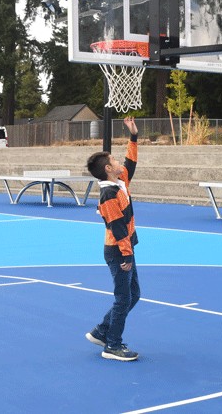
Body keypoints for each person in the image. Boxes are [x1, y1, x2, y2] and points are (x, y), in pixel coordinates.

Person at [84, 116, 141, 361]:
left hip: (125, 247)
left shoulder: (119, 183)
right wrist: (127, 254)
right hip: (118, 250)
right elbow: (118, 228)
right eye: (114, 160)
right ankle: (112, 345)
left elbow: (131, 163)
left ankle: (101, 331)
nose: (119, 162)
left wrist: (134, 136)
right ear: (108, 168)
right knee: (123, 298)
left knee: (133, 294)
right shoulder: (109, 194)